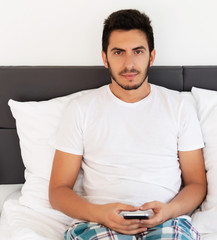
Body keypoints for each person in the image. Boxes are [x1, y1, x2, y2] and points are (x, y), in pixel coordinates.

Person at [48, 9, 207, 240]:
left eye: (138, 51)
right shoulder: (81, 109)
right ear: (105, 58)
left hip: (166, 222)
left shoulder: (179, 107)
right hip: (100, 223)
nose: (129, 64)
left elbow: (196, 183)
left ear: (151, 57)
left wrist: (168, 211)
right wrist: (100, 213)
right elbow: (58, 191)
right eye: (119, 52)